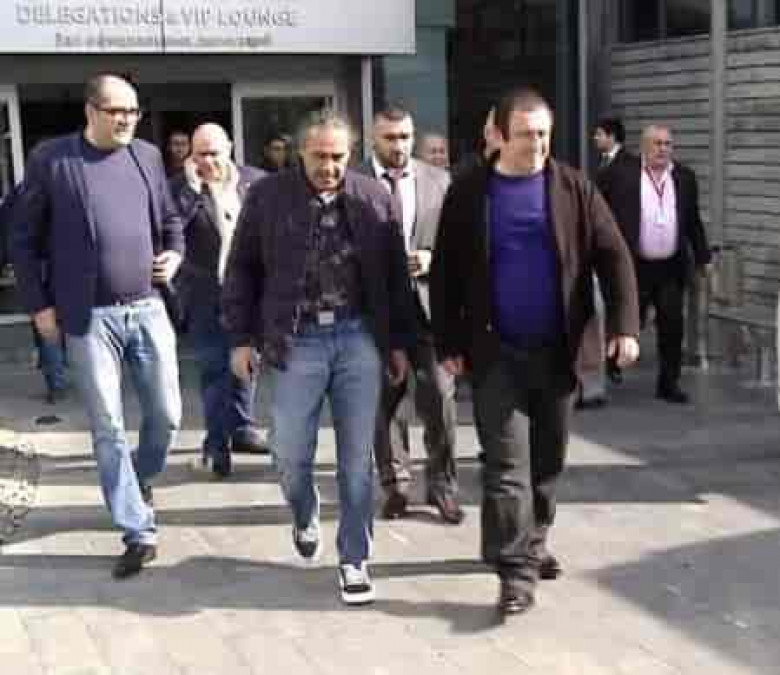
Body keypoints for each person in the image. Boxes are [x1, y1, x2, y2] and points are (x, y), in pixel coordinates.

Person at [431, 87, 640, 616]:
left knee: (547, 463)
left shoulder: (573, 188)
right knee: (507, 466)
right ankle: (515, 574)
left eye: (544, 133)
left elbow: (614, 255)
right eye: (526, 134)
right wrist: (448, 342)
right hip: (496, 353)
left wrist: (624, 327)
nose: (538, 143)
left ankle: (533, 538)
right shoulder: (470, 192)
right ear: (500, 135)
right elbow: (447, 271)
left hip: (558, 351)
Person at [222, 110, 415, 605]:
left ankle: (354, 559)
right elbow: (241, 269)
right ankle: (304, 508)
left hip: (358, 338)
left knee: (357, 459)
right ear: (300, 153)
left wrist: (398, 343)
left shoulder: (374, 197)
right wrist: (241, 338)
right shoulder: (268, 197)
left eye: (339, 157)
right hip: (296, 340)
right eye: (320, 157)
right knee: (289, 452)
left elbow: (396, 278)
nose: (330, 167)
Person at [9, 73, 183, 579]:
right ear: (91, 112)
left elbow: (170, 220)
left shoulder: (146, 156)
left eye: (133, 111)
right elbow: (22, 239)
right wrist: (39, 306)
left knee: (168, 415)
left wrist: (174, 254)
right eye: (117, 111)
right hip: (88, 318)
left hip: (148, 308)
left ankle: (138, 477)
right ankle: (137, 529)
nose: (127, 120)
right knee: (108, 425)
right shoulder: (53, 160)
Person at [362, 105, 462, 524]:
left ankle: (442, 485)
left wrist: (433, 257)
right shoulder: (352, 182)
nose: (399, 145)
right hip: (376, 313)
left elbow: (460, 242)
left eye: (405, 137)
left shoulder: (439, 181)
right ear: (373, 139)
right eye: (390, 138)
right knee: (383, 404)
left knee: (440, 397)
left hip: (427, 309)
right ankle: (395, 485)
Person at [169, 124, 267, 477]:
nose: (208, 161)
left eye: (214, 153)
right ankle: (216, 446)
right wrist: (192, 190)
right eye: (200, 154)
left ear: (230, 148)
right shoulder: (178, 189)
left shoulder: (257, 182)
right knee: (214, 369)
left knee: (246, 365)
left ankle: (242, 428)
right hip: (205, 294)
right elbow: (171, 230)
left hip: (251, 294)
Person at [597, 124, 711, 404]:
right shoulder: (622, 174)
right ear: (644, 147)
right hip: (634, 266)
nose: (663, 149)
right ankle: (612, 362)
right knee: (627, 320)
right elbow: (599, 210)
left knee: (672, 325)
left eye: (667, 144)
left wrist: (703, 257)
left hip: (670, 267)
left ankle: (668, 383)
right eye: (657, 144)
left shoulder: (684, 178)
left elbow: (693, 221)